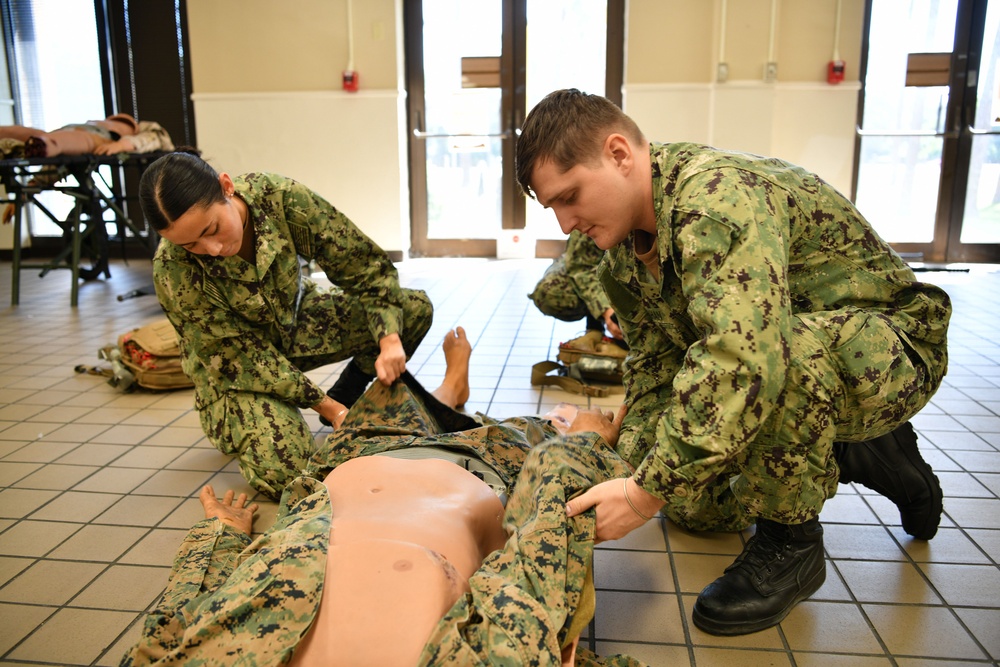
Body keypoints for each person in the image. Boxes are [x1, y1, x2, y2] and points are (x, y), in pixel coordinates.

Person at [515, 89, 952, 636]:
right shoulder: (621, 265)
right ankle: (867, 454)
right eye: (553, 206)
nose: (563, 224)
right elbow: (655, 373)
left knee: (769, 361)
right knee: (694, 504)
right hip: (800, 356)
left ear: (620, 153)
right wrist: (630, 469)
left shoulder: (715, 197)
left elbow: (743, 359)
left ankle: (790, 544)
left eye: (570, 196)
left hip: (890, 348)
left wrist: (642, 493)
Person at [119, 328, 644, 667]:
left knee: (384, 399)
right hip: (487, 472)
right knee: (564, 429)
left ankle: (449, 390)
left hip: (354, 463)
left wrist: (220, 540)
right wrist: (590, 452)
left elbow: (168, 632)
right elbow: (540, 551)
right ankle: (458, 399)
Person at [139, 151, 433, 499]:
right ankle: (309, 411)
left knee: (411, 309)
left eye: (213, 229)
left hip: (294, 324)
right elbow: (240, 358)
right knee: (294, 475)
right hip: (238, 373)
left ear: (226, 187)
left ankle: (351, 387)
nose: (212, 249)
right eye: (191, 245)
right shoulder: (172, 268)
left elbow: (364, 268)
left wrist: (388, 339)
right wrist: (325, 406)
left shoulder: (280, 199)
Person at [529, 229, 623, 339]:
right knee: (548, 292)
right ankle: (595, 327)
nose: (566, 228)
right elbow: (582, 268)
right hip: (587, 263)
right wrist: (606, 311)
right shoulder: (592, 217)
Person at [0, 113, 174, 158]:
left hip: (99, 140)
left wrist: (120, 145)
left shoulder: (146, 128)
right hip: (71, 132)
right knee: (39, 136)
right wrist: (27, 191)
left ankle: (43, 144)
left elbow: (152, 139)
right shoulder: (99, 123)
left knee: (54, 143)